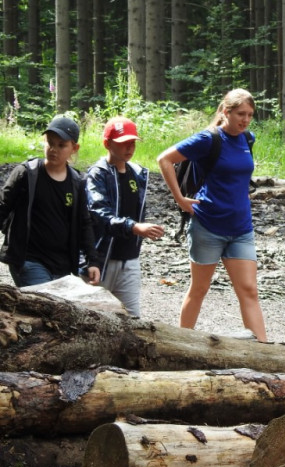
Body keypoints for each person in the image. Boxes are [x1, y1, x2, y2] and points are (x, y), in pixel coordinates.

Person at [156, 89, 267, 342]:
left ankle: (266, 351)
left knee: (249, 291)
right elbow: (164, 159)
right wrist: (180, 199)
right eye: (241, 114)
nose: (246, 120)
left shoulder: (247, 139)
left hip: (241, 228)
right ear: (226, 112)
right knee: (199, 289)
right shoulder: (208, 139)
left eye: (250, 115)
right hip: (208, 226)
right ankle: (182, 344)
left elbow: (239, 177)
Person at [0, 115, 101, 287]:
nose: (53, 149)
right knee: (45, 300)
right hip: (29, 260)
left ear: (74, 148)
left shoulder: (76, 182)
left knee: (58, 304)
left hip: (62, 264)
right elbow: (3, 207)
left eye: (61, 145)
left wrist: (93, 261)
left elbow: (84, 223)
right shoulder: (26, 174)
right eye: (50, 142)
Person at [85, 117, 165, 316]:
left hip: (130, 260)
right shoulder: (98, 174)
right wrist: (134, 227)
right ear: (107, 144)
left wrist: (142, 229)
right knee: (93, 320)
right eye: (123, 143)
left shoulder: (137, 174)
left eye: (132, 143)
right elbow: (99, 214)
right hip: (101, 260)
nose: (129, 148)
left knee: (133, 320)